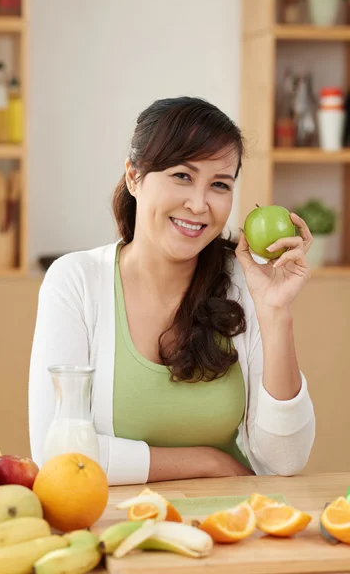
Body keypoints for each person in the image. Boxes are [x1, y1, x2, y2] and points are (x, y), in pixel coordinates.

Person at [29, 96, 315, 486]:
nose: (198, 204)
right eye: (182, 175)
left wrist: (276, 313)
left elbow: (286, 459)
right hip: (114, 527)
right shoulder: (76, 282)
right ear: (134, 176)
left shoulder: (244, 283)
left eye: (219, 184)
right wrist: (206, 462)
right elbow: (56, 452)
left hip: (231, 527)